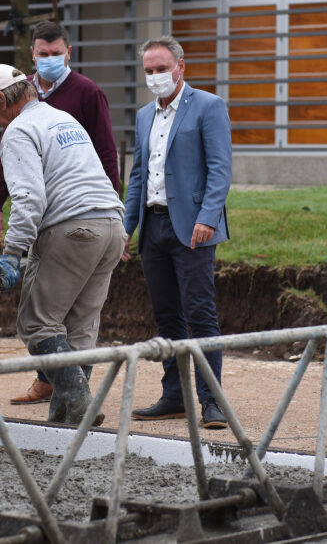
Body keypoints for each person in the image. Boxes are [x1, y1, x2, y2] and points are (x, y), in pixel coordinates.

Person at [0, 64, 125, 425]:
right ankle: (64, 422)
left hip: (72, 229)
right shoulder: (64, 120)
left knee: (38, 322)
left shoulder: (19, 131)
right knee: (81, 326)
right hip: (112, 227)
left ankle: (80, 406)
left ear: (0, 99)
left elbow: (28, 198)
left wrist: (12, 253)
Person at [124, 36, 232, 430]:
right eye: (149, 71)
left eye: (161, 68)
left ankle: (212, 401)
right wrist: (125, 229)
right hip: (152, 226)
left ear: (180, 67)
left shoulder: (208, 106)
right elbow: (138, 175)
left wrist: (207, 217)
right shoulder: (142, 116)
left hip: (193, 229)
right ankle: (174, 396)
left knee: (200, 314)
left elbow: (220, 169)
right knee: (166, 316)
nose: (155, 76)